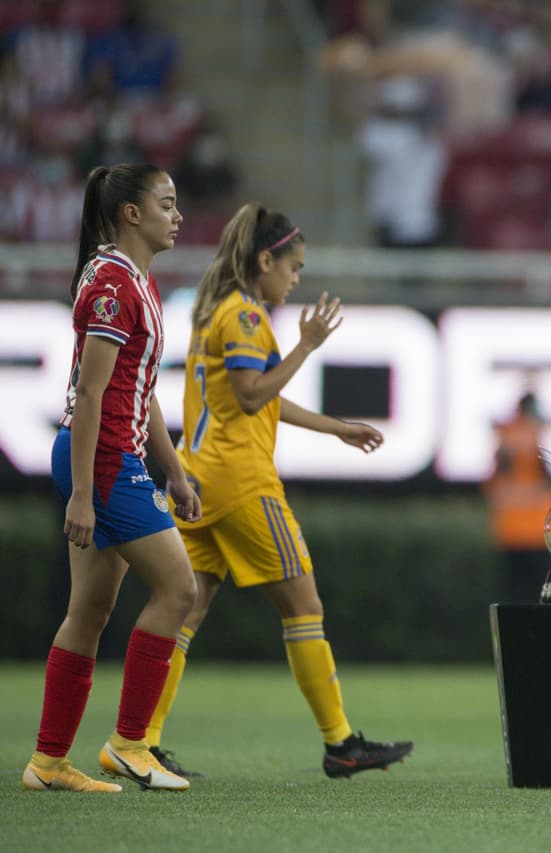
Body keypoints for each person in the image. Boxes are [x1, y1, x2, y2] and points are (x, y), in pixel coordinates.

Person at [141, 202, 414, 778]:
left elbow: (256, 395)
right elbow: (249, 394)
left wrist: (335, 427)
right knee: (304, 607)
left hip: (198, 477)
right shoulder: (244, 315)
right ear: (265, 258)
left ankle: (141, 740)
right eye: (293, 267)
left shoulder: (216, 308)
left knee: (185, 611)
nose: (295, 278)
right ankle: (341, 742)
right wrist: (307, 346)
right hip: (242, 483)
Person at [23, 163, 198, 793]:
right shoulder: (114, 285)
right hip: (100, 462)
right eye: (168, 204)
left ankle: (47, 764)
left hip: (110, 459)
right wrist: (82, 494)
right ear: (131, 213)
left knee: (90, 611)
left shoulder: (134, 280)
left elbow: (139, 393)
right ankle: (129, 744)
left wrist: (174, 474)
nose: (178, 216)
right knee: (179, 591)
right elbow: (91, 394)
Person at [484, 390, 551, 604]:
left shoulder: (529, 437)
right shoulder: (514, 438)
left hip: (531, 530)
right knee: (530, 596)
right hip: (525, 530)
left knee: (527, 596)